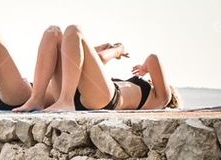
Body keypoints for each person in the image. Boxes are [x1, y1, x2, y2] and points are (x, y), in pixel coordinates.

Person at [16, 23, 181, 112]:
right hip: (83, 94)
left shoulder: (161, 99)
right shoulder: (130, 86)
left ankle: (65, 101)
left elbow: (154, 59)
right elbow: (81, 61)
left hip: (107, 100)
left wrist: (119, 51)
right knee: (53, 32)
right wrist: (105, 49)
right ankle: (36, 99)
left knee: (74, 30)